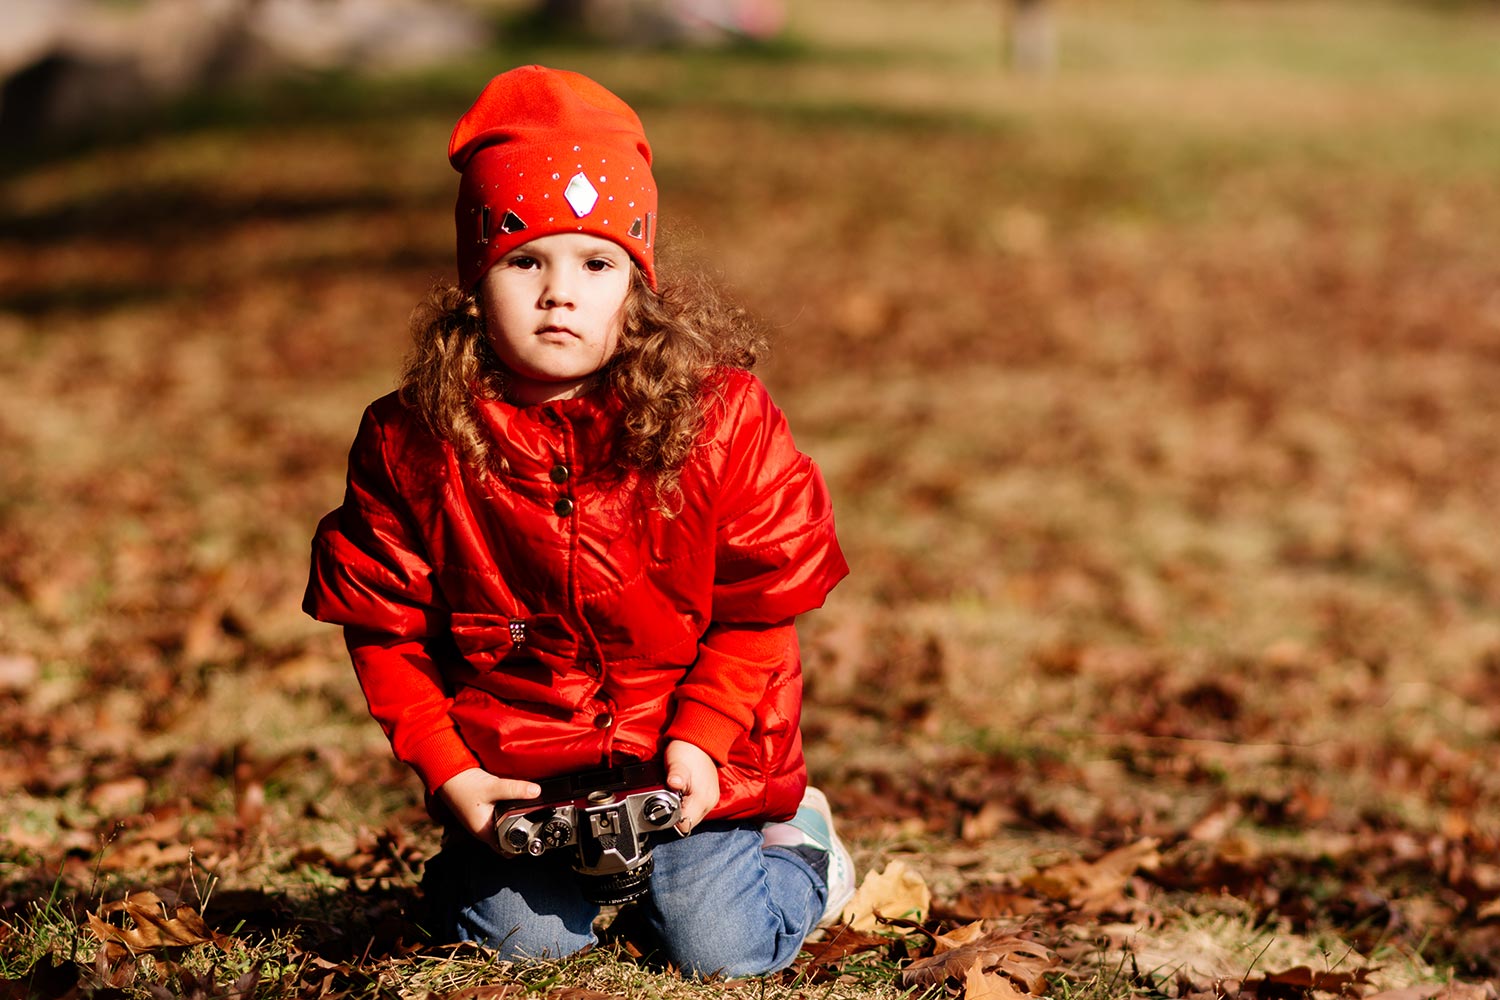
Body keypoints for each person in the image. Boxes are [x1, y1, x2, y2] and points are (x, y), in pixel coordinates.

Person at [302, 65, 854, 978]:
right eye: (526, 260)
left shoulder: (723, 421)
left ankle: (803, 852)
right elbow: (381, 625)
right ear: (475, 281)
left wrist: (705, 737)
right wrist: (451, 773)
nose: (561, 293)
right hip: (527, 782)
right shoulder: (413, 442)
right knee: (522, 949)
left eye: (595, 263)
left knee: (720, 952)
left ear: (636, 283)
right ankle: (502, 885)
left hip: (693, 768)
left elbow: (763, 606)